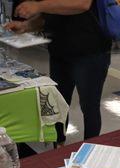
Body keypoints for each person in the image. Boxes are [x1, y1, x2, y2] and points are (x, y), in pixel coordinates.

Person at [6, 0, 112, 144]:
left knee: (89, 106)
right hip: (60, 52)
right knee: (59, 103)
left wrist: (38, 6)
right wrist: (25, 26)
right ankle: (59, 145)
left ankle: (90, 150)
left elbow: (82, 4)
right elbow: (49, 16)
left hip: (90, 52)